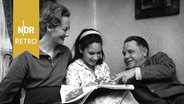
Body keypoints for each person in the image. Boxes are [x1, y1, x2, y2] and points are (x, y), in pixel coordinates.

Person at [0, 1, 72, 104]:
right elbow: (4, 93)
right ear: (49, 27)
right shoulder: (25, 55)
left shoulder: (66, 53)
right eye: (64, 29)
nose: (67, 34)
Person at [65, 29, 138, 104]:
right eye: (91, 53)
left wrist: (108, 84)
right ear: (80, 49)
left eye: (99, 53)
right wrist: (87, 88)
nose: (96, 58)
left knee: (126, 93)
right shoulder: (73, 68)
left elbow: (109, 86)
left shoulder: (103, 66)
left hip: (106, 99)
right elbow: (71, 96)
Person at [116, 36, 184, 104]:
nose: (126, 57)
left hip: (178, 98)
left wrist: (135, 72)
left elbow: (169, 70)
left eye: (130, 52)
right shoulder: (125, 76)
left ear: (144, 52)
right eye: (124, 54)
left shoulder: (158, 58)